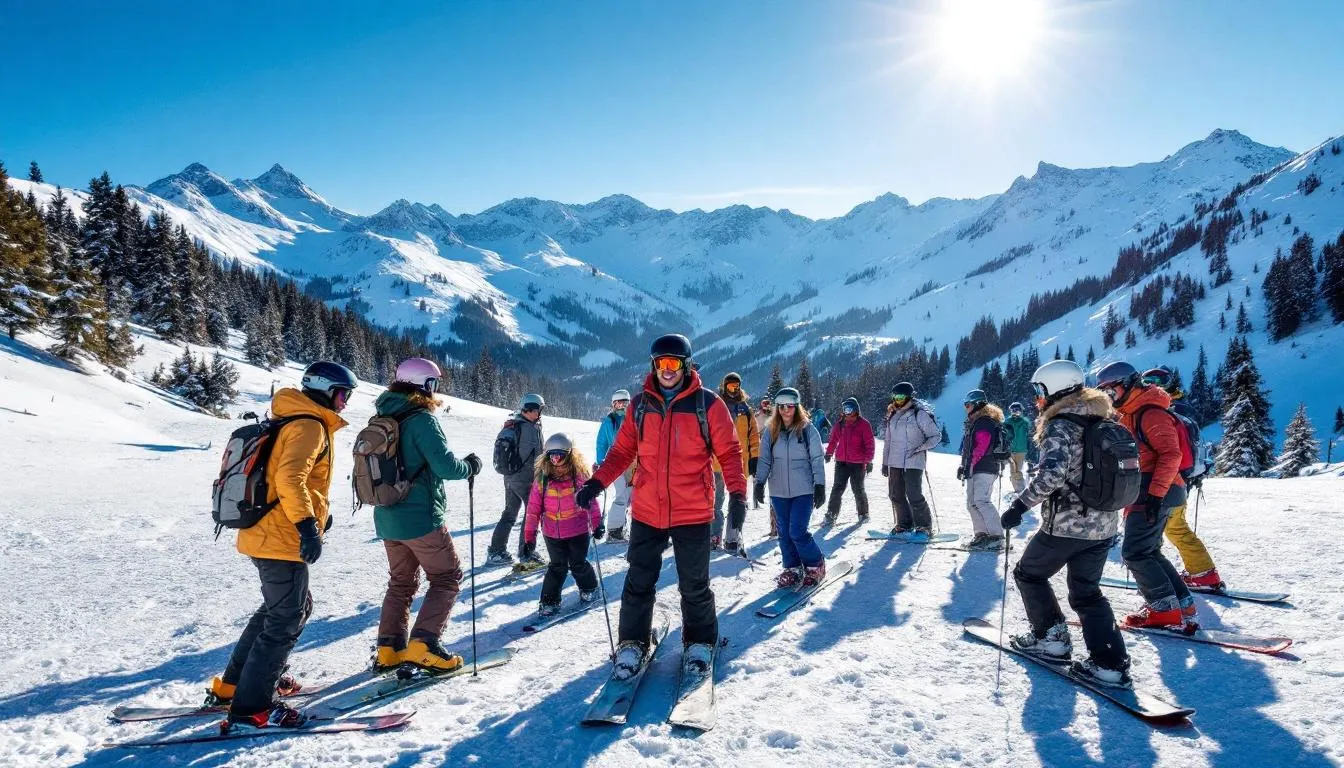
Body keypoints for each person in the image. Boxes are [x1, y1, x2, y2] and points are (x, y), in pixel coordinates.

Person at [575, 334, 747, 681]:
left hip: (692, 510)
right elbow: (622, 452)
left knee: (694, 584)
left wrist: (738, 494)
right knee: (638, 580)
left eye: (673, 363)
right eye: (660, 363)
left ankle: (700, 642)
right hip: (648, 510)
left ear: (686, 365)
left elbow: (729, 453)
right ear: (653, 366)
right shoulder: (640, 405)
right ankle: (632, 643)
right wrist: (597, 482)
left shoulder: (708, 405)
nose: (666, 370)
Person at [209, 361, 354, 733]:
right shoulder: (309, 425)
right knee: (286, 618)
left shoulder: (291, 419)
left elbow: (285, 480)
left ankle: (234, 685)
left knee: (285, 609)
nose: (344, 403)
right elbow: (291, 479)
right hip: (280, 536)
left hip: (265, 530)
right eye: (342, 394)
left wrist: (318, 517)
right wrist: (306, 526)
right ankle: (251, 709)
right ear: (325, 391)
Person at [999, 359, 1131, 687]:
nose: (1037, 398)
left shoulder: (1061, 424)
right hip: (1104, 525)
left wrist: (1019, 506)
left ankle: (1052, 640)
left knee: (1028, 573)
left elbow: (1052, 475)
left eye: (1040, 390)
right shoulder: (1102, 418)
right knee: (1087, 592)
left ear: (1056, 388)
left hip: (1068, 524)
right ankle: (1109, 664)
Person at [370, 358, 482, 674]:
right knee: (447, 577)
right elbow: (445, 466)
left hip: (387, 517)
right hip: (420, 517)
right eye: (434, 383)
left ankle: (389, 649)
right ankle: (423, 645)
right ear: (425, 385)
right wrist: (470, 467)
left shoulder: (382, 415)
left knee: (401, 582)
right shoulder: (421, 419)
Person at [1095, 361, 1194, 629]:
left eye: (1112, 391)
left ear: (1128, 384)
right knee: (1150, 551)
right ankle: (1182, 604)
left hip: (1156, 491)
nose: (1109, 397)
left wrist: (1155, 496)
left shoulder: (1150, 413)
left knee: (1135, 553)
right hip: (1153, 490)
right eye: (1105, 392)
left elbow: (1171, 455)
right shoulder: (1132, 411)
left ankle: (1164, 611)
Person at [1141, 367, 1224, 589]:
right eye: (1147, 381)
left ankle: (1202, 574)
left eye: (1156, 381)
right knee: (1170, 526)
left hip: (1169, 480)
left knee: (1173, 527)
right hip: (1180, 479)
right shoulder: (1180, 408)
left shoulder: (1168, 411)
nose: (1151, 385)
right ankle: (1198, 572)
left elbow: (1173, 453)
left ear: (1167, 383)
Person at [524, 433, 603, 617]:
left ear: (569, 455)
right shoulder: (542, 479)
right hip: (552, 533)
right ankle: (549, 601)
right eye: (552, 456)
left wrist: (597, 523)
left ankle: (590, 588)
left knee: (578, 563)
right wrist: (529, 536)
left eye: (560, 456)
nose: (556, 460)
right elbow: (533, 509)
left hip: (577, 530)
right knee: (557, 566)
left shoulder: (579, 476)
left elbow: (591, 502)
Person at [756, 387, 828, 586]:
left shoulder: (807, 430)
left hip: (803, 490)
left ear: (797, 407)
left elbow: (817, 459)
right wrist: (759, 482)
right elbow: (764, 460)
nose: (785, 410)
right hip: (778, 491)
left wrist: (820, 485)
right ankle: (792, 567)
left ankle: (815, 564)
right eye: (781, 406)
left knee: (797, 531)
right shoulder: (771, 431)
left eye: (789, 406)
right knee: (784, 533)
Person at [487, 393, 546, 567]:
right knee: (532, 514)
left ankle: (496, 552)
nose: (540, 413)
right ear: (530, 409)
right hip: (525, 479)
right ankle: (527, 554)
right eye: (539, 409)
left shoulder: (513, 424)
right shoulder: (529, 428)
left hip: (510, 478)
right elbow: (538, 456)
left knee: (509, 513)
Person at [880, 381, 941, 537]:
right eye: (895, 397)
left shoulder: (919, 414)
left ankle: (924, 526)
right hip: (895, 462)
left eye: (900, 397)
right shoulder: (892, 416)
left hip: (913, 461)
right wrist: (885, 463)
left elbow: (935, 436)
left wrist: (920, 448)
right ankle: (904, 524)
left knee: (914, 494)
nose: (897, 401)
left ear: (909, 397)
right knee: (896, 494)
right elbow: (888, 442)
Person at [711, 372, 760, 551]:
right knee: (715, 502)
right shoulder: (717, 405)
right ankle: (714, 536)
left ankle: (732, 538)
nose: (733, 390)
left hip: (740, 463)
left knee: (737, 502)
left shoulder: (745, 409)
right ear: (724, 386)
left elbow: (754, 436)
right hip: (717, 463)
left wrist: (755, 457)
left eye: (736, 386)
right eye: (730, 386)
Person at [958, 390, 1006, 549]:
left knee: (981, 501)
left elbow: (981, 447)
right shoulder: (976, 422)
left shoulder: (984, 422)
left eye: (968, 405)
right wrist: (964, 466)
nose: (966, 408)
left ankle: (997, 536)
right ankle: (982, 534)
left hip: (985, 467)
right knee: (972, 503)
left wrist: (969, 465)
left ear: (977, 404)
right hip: (976, 467)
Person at [823, 396, 874, 525]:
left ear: (856, 409)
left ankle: (863, 513)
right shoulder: (840, 424)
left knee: (858, 489)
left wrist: (868, 461)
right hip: (841, 462)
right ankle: (831, 515)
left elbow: (869, 444)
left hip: (858, 463)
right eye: (845, 409)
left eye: (849, 409)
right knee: (837, 488)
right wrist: (829, 452)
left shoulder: (864, 424)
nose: (847, 412)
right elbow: (833, 440)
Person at [595, 389, 633, 542]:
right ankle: (614, 530)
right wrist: (600, 462)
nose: (621, 407)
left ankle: (623, 526)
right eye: (618, 403)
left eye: (625, 403)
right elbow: (601, 443)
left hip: (634, 462)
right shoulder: (609, 421)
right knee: (622, 494)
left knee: (632, 494)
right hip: (616, 462)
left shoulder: (634, 418)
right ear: (613, 405)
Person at [1003, 402, 1033, 495]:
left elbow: (1030, 436)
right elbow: (1003, 434)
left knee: (1016, 471)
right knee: (1013, 471)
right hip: (1011, 450)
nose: (1015, 412)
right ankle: (1019, 490)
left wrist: (1031, 450)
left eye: (1017, 410)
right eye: (1013, 410)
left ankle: (1021, 490)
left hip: (1021, 450)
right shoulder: (1007, 422)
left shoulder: (1025, 422)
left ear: (1021, 411)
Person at [754, 396, 774, 514]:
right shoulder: (758, 416)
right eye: (764, 404)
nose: (766, 406)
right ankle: (756, 500)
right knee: (758, 473)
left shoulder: (773, 417)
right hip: (760, 444)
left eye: (767, 404)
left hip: (768, 445)